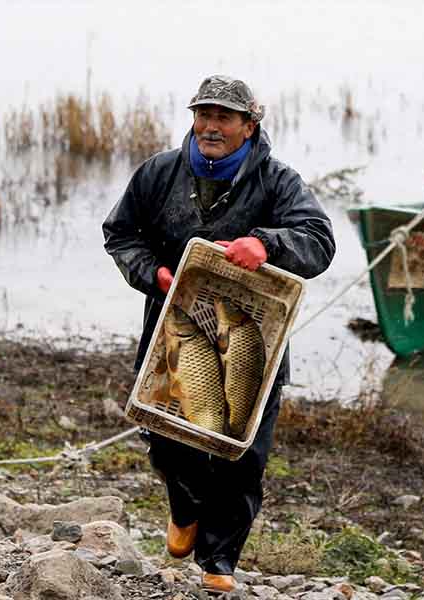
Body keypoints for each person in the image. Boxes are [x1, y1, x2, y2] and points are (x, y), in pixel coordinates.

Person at [102, 75, 335, 593]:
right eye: (203, 115)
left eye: (224, 117)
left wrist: (268, 245)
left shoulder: (278, 180)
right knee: (165, 436)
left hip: (254, 337)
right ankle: (184, 509)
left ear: (250, 125)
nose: (210, 126)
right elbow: (120, 234)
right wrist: (155, 275)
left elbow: (319, 241)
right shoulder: (159, 172)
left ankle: (219, 562)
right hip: (174, 324)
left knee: (242, 453)